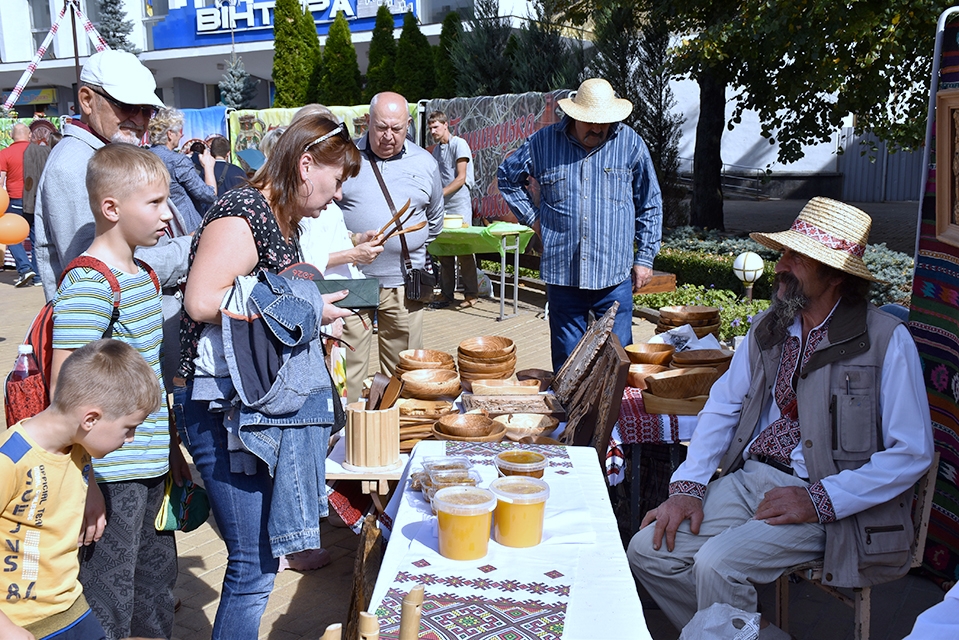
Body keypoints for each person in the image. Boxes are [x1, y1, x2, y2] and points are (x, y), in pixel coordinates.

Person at [626, 198, 935, 638]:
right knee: (648, 550)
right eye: (783, 253)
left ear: (835, 274)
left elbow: (911, 453)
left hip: (828, 502)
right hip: (751, 479)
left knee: (718, 564)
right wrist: (688, 488)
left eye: (795, 257)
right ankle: (763, 634)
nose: (780, 266)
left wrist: (818, 500)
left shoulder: (887, 340)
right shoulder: (770, 327)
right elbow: (723, 405)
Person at [173, 115, 357, 639]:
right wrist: (305, 308)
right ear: (305, 164)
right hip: (219, 409)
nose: (337, 194)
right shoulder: (243, 214)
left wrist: (309, 319)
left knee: (257, 562)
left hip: (244, 406)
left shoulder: (278, 218)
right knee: (252, 566)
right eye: (337, 179)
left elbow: (262, 306)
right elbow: (203, 300)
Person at [49, 144, 188, 639]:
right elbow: (65, 391)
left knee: (154, 593)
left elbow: (148, 375)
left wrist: (170, 451)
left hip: (149, 468)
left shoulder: (144, 275)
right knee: (110, 601)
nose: (167, 214)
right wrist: (83, 485)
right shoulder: (90, 283)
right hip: (109, 476)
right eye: (153, 203)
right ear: (111, 208)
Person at [33, 49, 191, 392]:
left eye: (146, 109)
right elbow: (100, 267)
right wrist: (191, 248)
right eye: (126, 106)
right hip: (112, 379)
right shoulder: (74, 166)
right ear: (87, 99)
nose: (139, 117)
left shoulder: (101, 156)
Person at [497, 77, 663, 373]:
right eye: (591, 122)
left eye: (605, 122)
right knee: (568, 366)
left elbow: (650, 202)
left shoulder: (630, 143)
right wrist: (534, 220)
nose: (598, 128)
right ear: (573, 115)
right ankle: (572, 417)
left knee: (617, 363)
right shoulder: (542, 143)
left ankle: (614, 419)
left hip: (613, 275)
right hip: (563, 275)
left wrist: (645, 258)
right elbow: (507, 178)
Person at [0, 339, 161, 640]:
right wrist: (6, 629)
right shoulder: (10, 460)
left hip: (73, 609)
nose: (131, 439)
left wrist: (93, 490)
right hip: (22, 627)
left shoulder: (78, 446)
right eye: (129, 428)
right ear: (91, 419)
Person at [338, 91, 444, 403]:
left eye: (397, 129)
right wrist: (351, 241)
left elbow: (434, 219)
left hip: (403, 283)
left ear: (408, 125)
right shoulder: (344, 158)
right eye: (381, 127)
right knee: (348, 365)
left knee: (402, 370)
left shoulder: (425, 162)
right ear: (367, 122)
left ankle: (395, 430)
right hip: (352, 281)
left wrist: (410, 247)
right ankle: (345, 431)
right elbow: (322, 215)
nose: (388, 137)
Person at [427, 110, 479, 309]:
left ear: (446, 125)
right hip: (443, 205)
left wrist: (439, 194)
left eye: (436, 127)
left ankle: (471, 294)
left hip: (459, 204)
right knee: (445, 250)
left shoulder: (460, 144)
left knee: (465, 250)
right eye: (430, 128)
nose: (433, 131)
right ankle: (447, 294)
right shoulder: (436, 151)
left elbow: (461, 178)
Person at [148, 107, 217, 230]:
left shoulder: (143, 157)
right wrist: (208, 167)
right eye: (179, 131)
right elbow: (209, 195)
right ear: (170, 134)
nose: (181, 135)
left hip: (155, 224)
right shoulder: (178, 161)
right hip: (184, 226)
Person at [1, 123, 35, 287]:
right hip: (35, 199)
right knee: (37, 238)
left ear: (11, 136)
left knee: (12, 235)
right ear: (29, 135)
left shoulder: (5, 153)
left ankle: (24, 268)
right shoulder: (38, 151)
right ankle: (38, 276)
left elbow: (0, 181)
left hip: (14, 199)